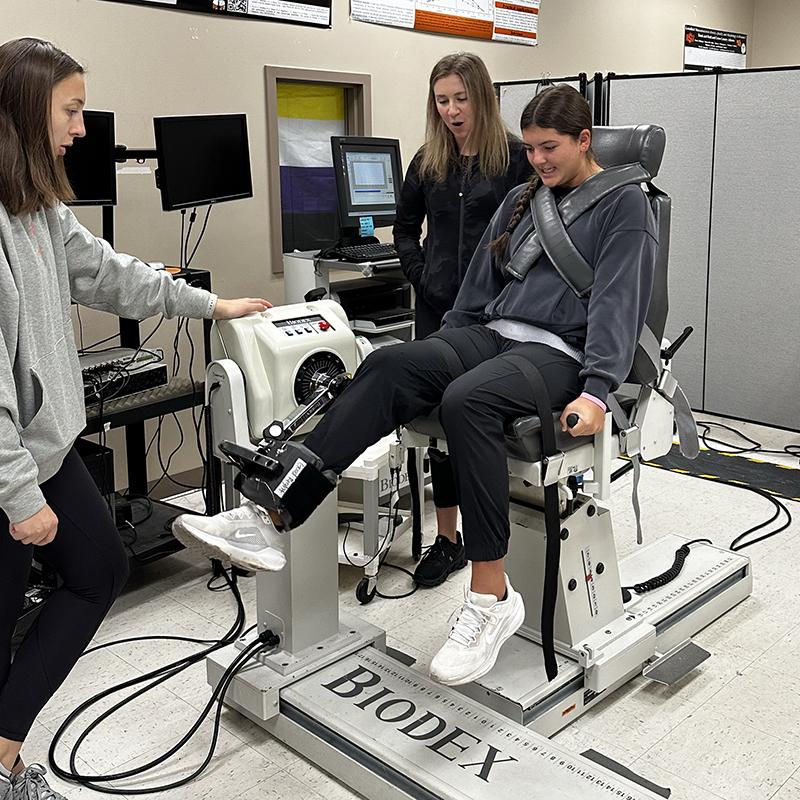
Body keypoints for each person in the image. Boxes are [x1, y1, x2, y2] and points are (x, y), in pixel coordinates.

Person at [177, 84, 657, 688]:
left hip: (561, 353)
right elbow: (478, 288)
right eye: (531, 148)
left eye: (549, 148)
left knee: (468, 401)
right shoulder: (521, 199)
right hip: (493, 333)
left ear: (585, 141)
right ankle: (275, 507)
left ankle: (489, 597)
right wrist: (441, 350)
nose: (537, 160)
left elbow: (619, 298)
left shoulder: (625, 205)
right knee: (388, 364)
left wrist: (597, 390)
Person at [0, 37, 273, 800]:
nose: (81, 128)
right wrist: (20, 497)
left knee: (94, 573)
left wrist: (209, 304)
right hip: (12, 464)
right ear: (25, 111)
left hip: (42, 449)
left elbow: (111, 275)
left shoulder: (37, 211)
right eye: (72, 109)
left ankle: (2, 754)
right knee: (73, 586)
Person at [393, 52, 532, 588]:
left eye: (461, 98)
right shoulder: (429, 162)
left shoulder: (517, 160)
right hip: (435, 308)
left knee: (473, 417)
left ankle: (489, 541)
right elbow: (404, 229)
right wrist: (420, 274)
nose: (452, 110)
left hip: (494, 315)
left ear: (483, 97)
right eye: (442, 100)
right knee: (435, 423)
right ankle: (446, 538)